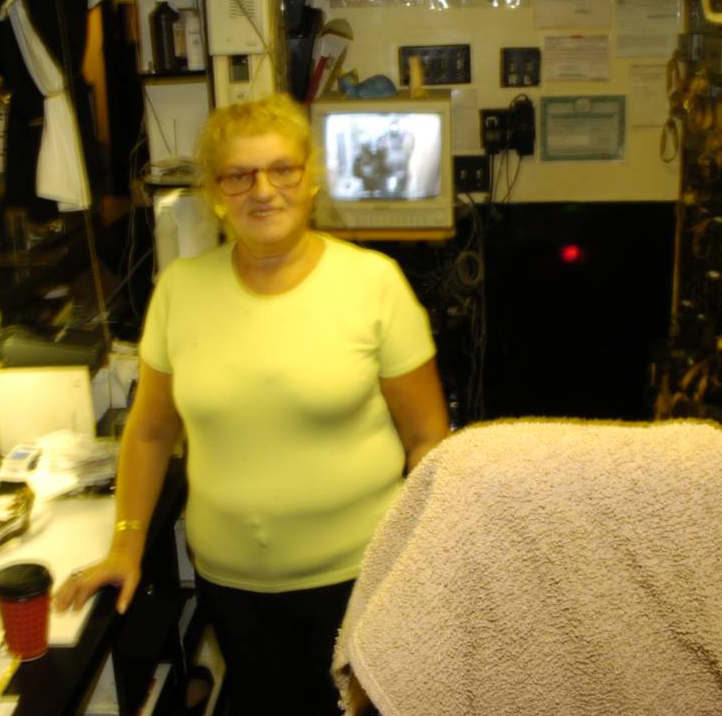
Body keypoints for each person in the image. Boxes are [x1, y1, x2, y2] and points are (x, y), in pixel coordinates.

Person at [54, 94, 449, 714]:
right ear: (216, 194)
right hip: (231, 585)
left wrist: (422, 561)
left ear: (310, 179)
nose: (262, 191)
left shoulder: (374, 284)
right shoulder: (181, 290)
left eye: (282, 169)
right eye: (238, 176)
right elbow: (150, 433)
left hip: (359, 578)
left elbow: (428, 439)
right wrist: (126, 544)